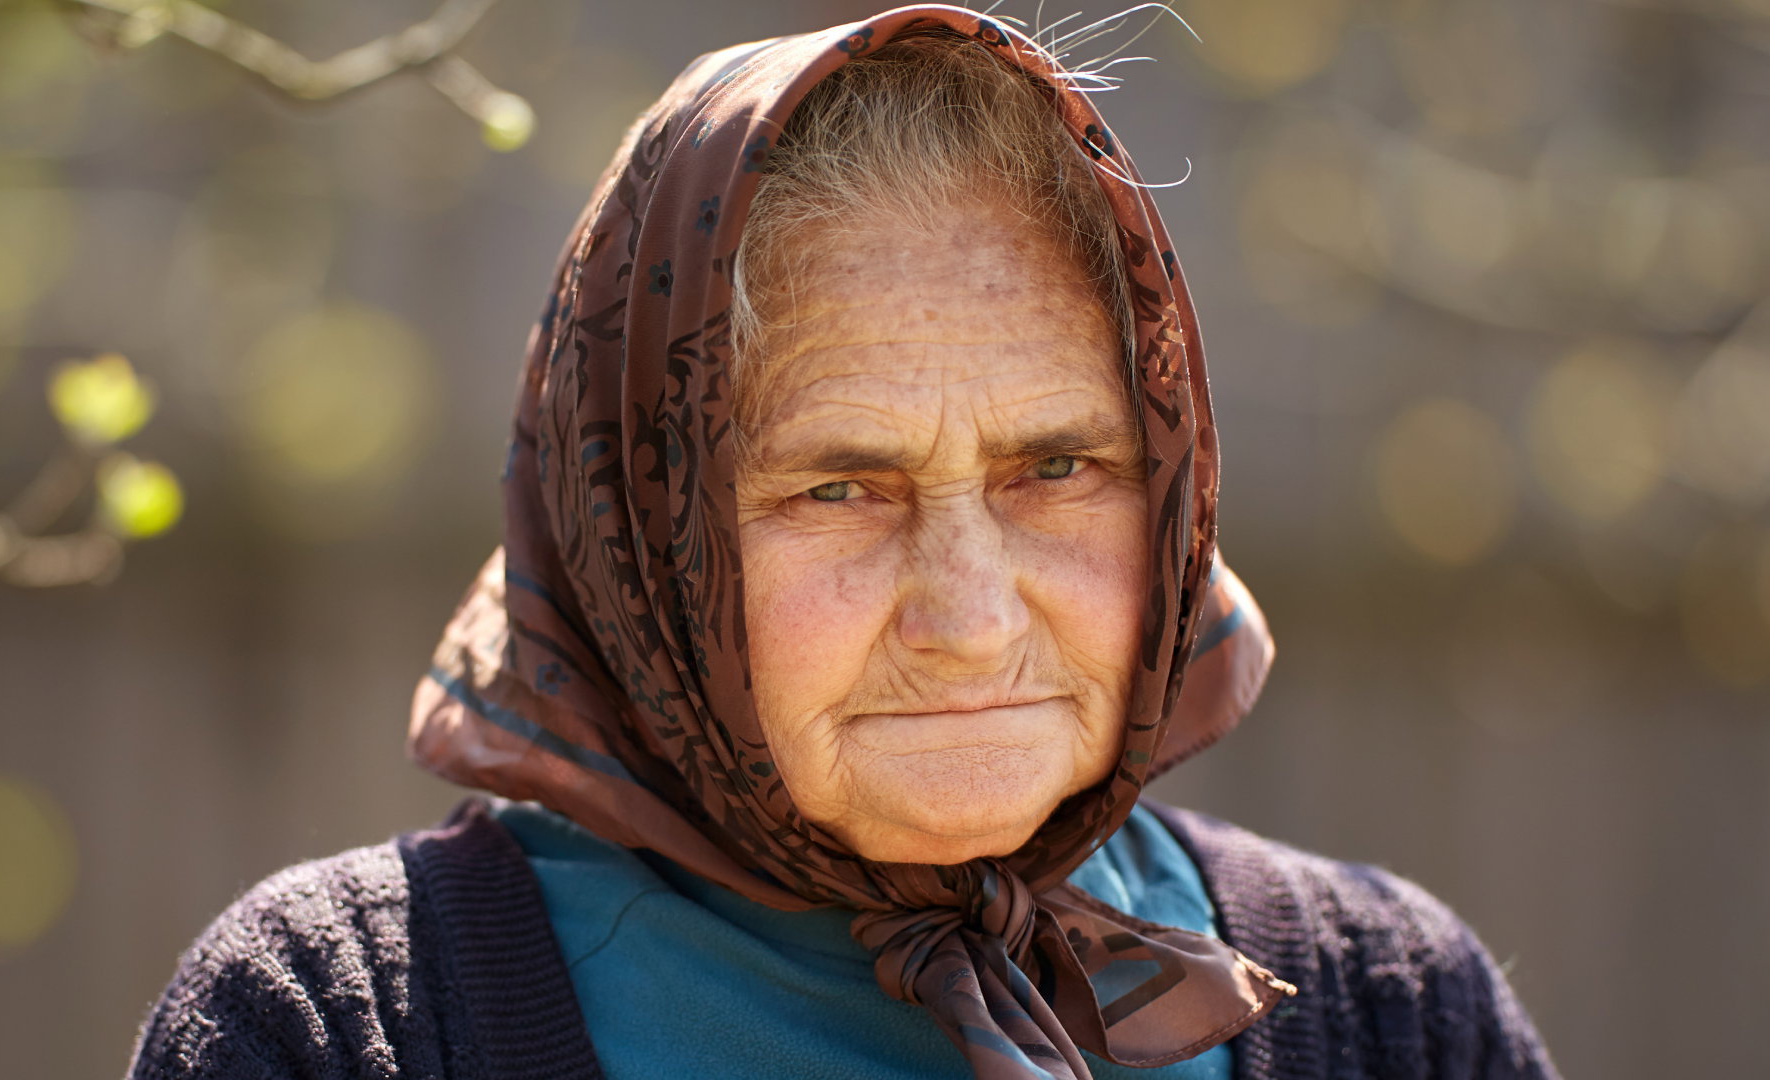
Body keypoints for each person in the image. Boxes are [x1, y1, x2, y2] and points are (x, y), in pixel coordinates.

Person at [127, 7, 1560, 1079]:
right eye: (839, 490)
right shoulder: (348, 1026)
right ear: (647, 550)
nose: (971, 616)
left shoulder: (1389, 1014)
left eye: (1056, 468)